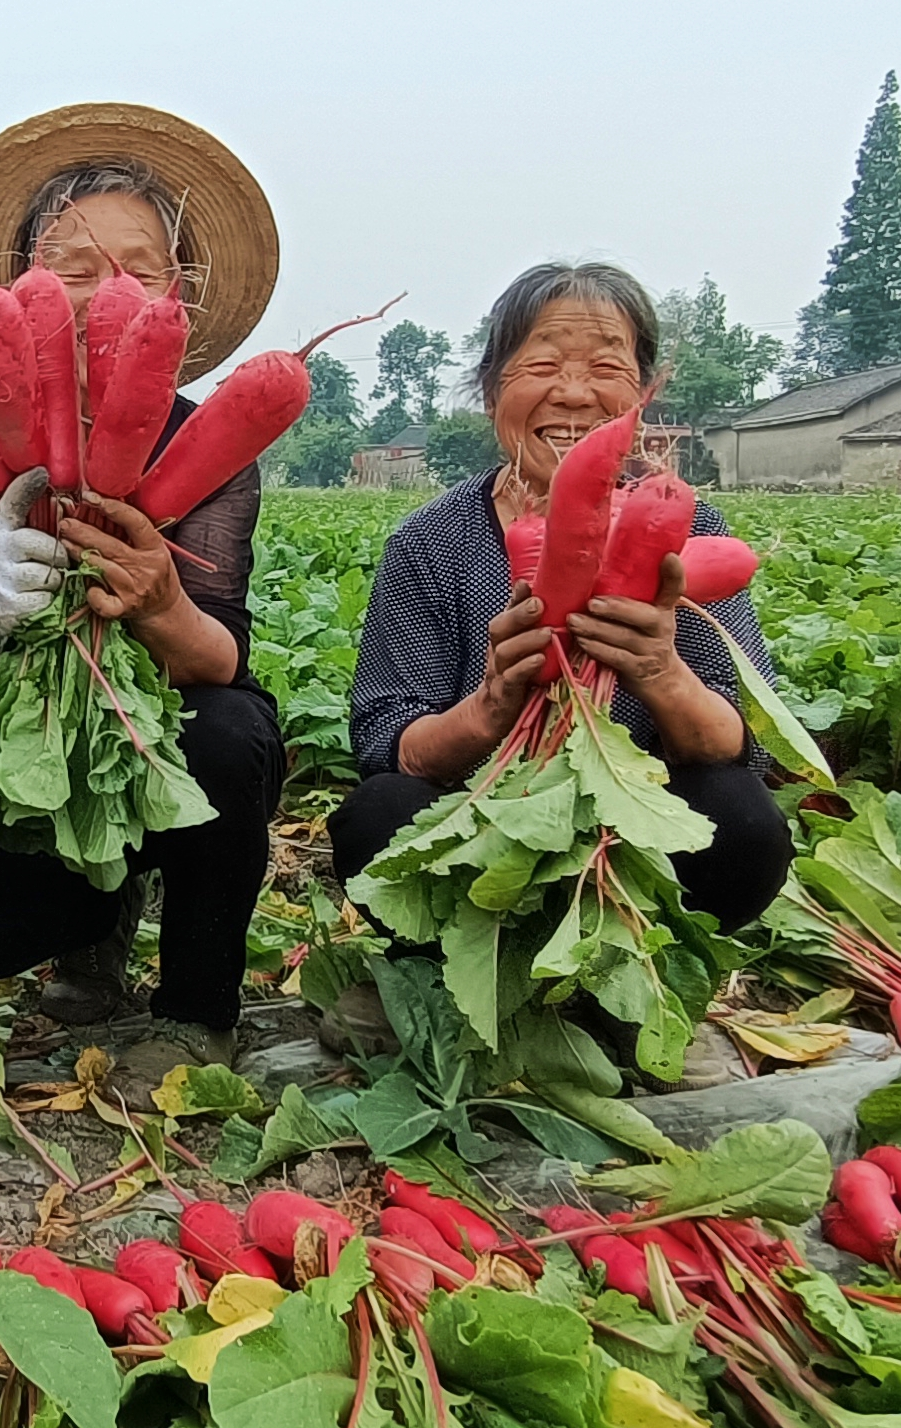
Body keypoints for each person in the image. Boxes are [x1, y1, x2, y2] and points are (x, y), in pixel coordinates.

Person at [0, 103, 288, 1091]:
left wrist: (161, 599)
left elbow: (220, 659)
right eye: (73, 270)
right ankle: (92, 924)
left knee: (232, 730)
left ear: (176, 300)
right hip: (46, 759)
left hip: (168, 739)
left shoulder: (209, 446)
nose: (105, 292)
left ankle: (197, 1008)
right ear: (25, 290)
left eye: (138, 271)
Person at [326, 260, 791, 1056]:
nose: (573, 395)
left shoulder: (690, 523)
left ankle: (635, 979)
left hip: (629, 850)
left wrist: (660, 670)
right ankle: (432, 972)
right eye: (541, 367)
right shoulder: (433, 542)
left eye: (606, 370)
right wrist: (491, 704)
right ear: (490, 391)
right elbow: (384, 738)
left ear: (641, 397)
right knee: (375, 816)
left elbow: (742, 736)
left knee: (745, 822)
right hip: (477, 837)